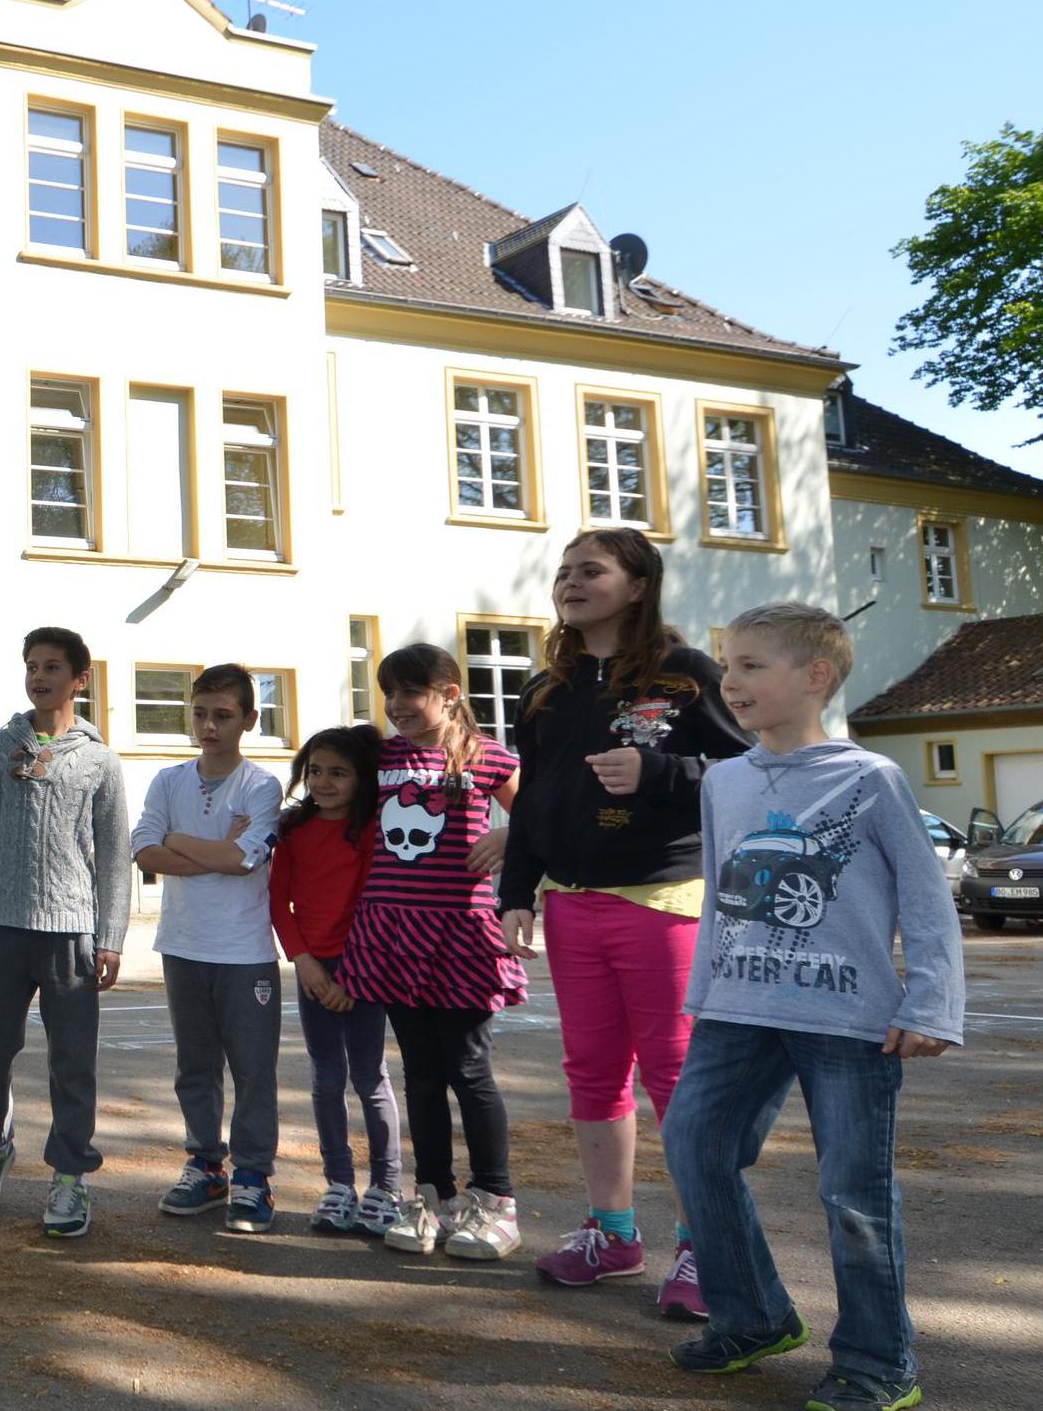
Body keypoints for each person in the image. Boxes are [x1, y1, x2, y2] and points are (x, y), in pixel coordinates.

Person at [662, 603, 963, 1411]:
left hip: (848, 1019)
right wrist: (703, 993)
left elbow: (926, 898)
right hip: (736, 1007)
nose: (730, 680)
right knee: (694, 1146)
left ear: (817, 676)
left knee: (854, 1193)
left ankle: (877, 1363)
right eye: (729, 663)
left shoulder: (870, 779)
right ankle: (753, 1317)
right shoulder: (725, 780)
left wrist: (932, 1001)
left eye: (753, 664)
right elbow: (724, 900)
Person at [502, 530, 751, 1314]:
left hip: (663, 899)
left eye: (592, 571)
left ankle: (705, 1247)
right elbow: (534, 800)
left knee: (678, 1079)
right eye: (564, 572)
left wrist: (663, 771)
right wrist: (516, 892)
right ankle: (611, 1234)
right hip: (572, 903)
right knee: (593, 1073)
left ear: (639, 586)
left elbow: (752, 768)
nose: (570, 583)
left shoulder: (685, 677)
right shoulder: (547, 687)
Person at [0, 627, 131, 1238]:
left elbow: (113, 853)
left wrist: (111, 936)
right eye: (31, 666)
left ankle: (70, 1176)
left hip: (71, 937)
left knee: (72, 1064)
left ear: (80, 679)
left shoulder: (100, 761)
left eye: (52, 667)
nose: (39, 676)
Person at [337, 642, 525, 1261]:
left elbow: (544, 818)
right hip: (393, 934)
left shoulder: (490, 757)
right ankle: (433, 1197)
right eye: (388, 692)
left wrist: (510, 833)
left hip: (463, 934)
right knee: (419, 1071)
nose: (396, 706)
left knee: (468, 1068)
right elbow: (325, 791)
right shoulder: (379, 757)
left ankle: (495, 1202)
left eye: (410, 693)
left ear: (449, 695)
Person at [131, 664, 287, 1232]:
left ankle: (253, 1177)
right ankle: (205, 1164)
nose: (209, 726)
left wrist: (183, 843)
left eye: (223, 715)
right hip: (183, 946)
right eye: (200, 713)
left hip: (244, 953)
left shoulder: (261, 785)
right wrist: (205, 848)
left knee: (252, 1070)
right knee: (195, 1067)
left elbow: (243, 859)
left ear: (249, 718)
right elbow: (145, 852)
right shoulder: (167, 781)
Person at [268, 723, 405, 1237]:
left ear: (362, 777)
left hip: (364, 971)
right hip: (313, 972)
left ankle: (386, 1188)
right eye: (316, 771)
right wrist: (303, 960)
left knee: (369, 1078)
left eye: (338, 773)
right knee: (326, 1078)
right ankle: (339, 1185)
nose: (323, 782)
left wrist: (352, 976)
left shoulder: (374, 830)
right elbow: (278, 900)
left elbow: (373, 904)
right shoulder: (295, 831)